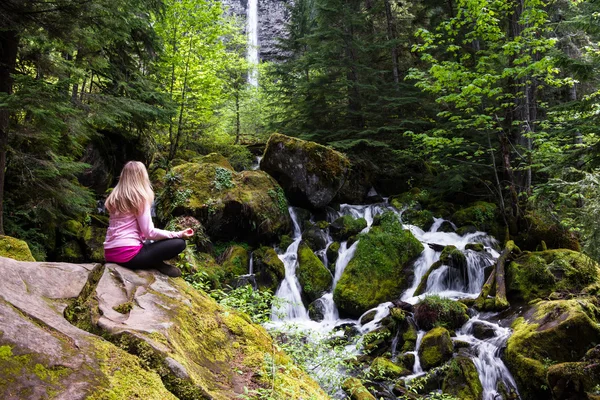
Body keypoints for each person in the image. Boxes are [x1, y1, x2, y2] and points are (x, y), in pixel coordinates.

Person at [103, 161, 193, 277]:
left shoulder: (114, 197)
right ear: (142, 176)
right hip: (129, 256)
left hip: (110, 253)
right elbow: (149, 232)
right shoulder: (140, 198)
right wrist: (179, 234)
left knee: (150, 242)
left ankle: (154, 262)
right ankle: (155, 263)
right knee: (179, 243)